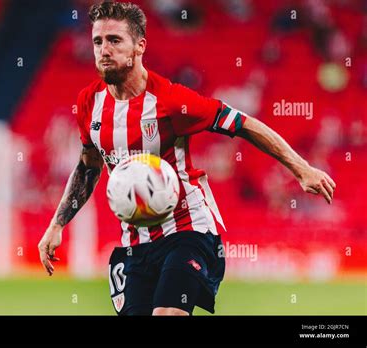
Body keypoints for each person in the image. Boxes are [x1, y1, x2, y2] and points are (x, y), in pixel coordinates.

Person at [38, 1, 336, 316]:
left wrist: (302, 169)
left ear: (140, 46)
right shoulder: (89, 102)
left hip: (188, 231)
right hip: (134, 243)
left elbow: (243, 124)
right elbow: (88, 167)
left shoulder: (170, 100)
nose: (103, 50)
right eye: (98, 41)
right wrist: (57, 224)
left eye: (114, 40)